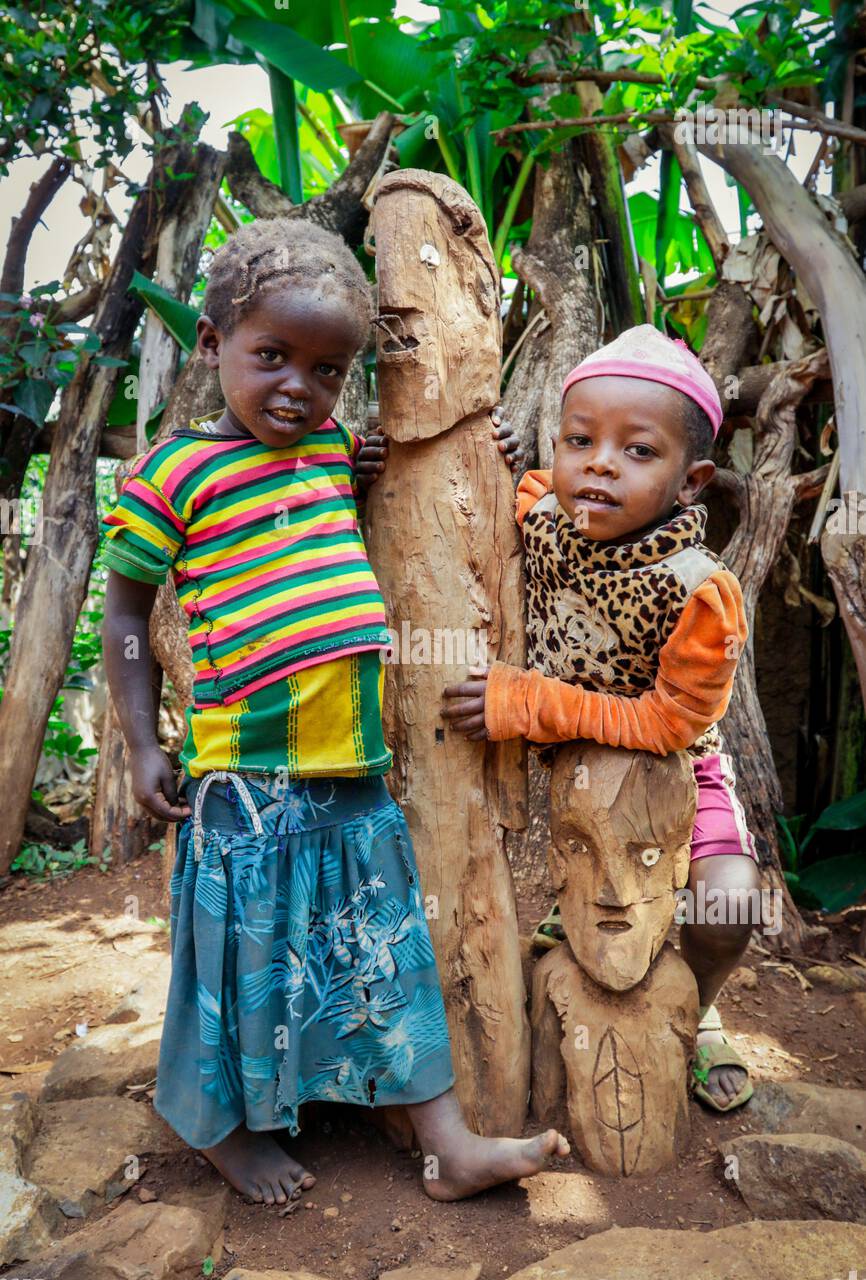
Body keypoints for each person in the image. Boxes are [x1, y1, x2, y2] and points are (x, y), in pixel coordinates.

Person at [100, 216, 568, 1206]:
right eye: (271, 356)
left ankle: (446, 1143)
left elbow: (448, 470)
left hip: (351, 768)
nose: (295, 388)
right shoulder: (171, 474)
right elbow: (127, 616)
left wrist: (506, 443)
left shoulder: (329, 457)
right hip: (245, 781)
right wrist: (141, 742)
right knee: (239, 959)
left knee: (387, 947)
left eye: (323, 370)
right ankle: (226, 1129)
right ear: (211, 342)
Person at [442, 324, 762, 1113]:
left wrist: (526, 702)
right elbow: (499, 485)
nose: (600, 464)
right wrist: (503, 452)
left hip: (667, 774)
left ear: (693, 482)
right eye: (579, 440)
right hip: (548, 766)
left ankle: (701, 1001)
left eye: (638, 451)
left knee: (729, 901)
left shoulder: (699, 593)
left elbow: (669, 725)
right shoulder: (547, 506)